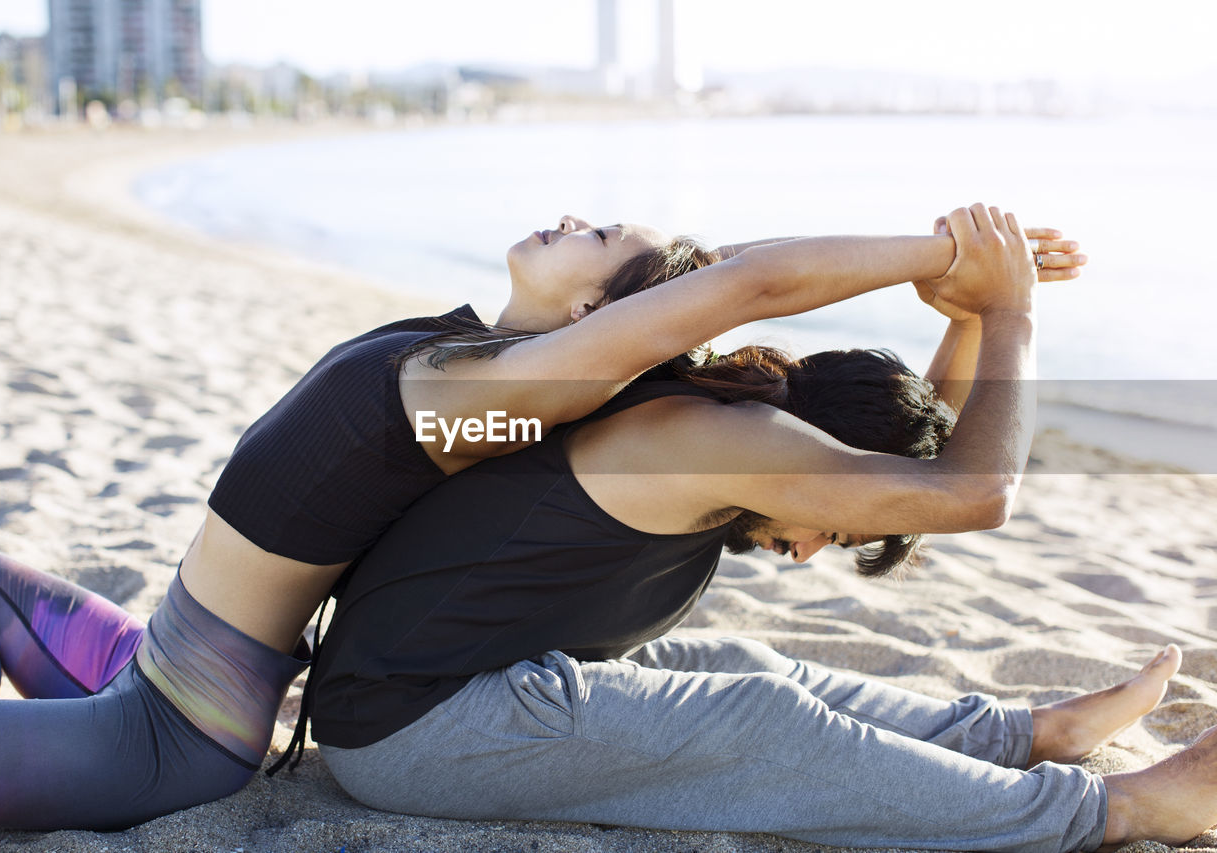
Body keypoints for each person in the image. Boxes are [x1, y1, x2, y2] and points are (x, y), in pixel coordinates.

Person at [0, 205, 1083, 829]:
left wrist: (967, 271)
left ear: (594, 312)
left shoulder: (472, 404)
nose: (575, 215)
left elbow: (733, 289)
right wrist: (980, 272)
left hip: (166, 737)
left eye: (598, 239)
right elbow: (728, 269)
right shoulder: (483, 357)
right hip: (153, 664)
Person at [307, 206, 1215, 852]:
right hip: (416, 734)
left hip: (453, 692)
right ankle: (1111, 812)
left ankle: (1019, 735)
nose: (818, 543)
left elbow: (913, 470)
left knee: (746, 667)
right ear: (810, 447)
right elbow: (976, 492)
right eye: (834, 520)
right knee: (759, 716)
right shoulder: (715, 438)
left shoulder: (719, 399)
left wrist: (970, 308)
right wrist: (1012, 311)